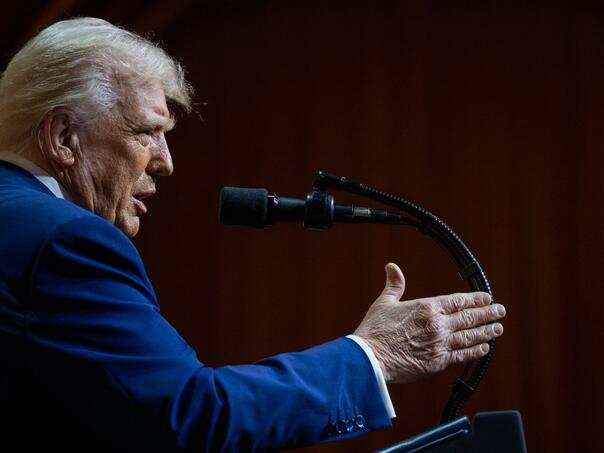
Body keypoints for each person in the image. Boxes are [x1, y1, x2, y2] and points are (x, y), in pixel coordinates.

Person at [0, 18, 506, 452]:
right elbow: (192, 416)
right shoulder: (68, 241)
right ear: (63, 137)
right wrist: (375, 355)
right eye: (145, 133)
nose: (166, 162)